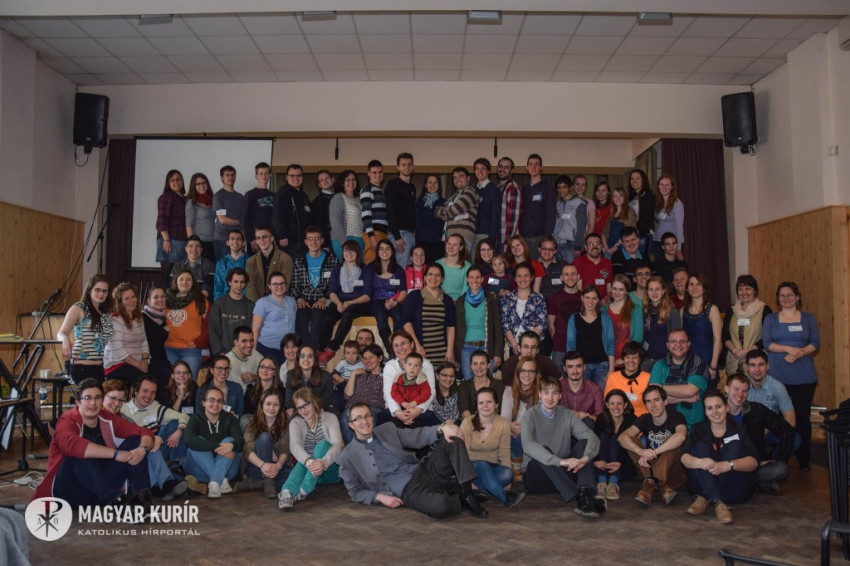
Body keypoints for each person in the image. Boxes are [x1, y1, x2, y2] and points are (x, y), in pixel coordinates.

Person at [338, 401, 489, 518]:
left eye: (367, 416)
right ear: (351, 425)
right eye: (358, 418)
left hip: (423, 470)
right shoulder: (347, 457)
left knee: (452, 435)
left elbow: (416, 436)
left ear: (372, 417)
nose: (364, 421)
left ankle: (467, 494)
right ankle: (457, 495)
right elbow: (355, 492)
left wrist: (441, 428)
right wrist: (379, 497)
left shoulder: (386, 430)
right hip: (409, 490)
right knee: (440, 507)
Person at [33, 378, 153, 509]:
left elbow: (144, 432)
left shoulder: (107, 417)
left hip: (99, 489)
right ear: (78, 402)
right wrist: (116, 454)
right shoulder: (67, 420)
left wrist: (142, 449)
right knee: (78, 454)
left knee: (135, 441)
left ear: (102, 401)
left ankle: (141, 499)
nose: (93, 403)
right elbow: (71, 445)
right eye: (87, 398)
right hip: (71, 490)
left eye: (97, 398)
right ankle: (116, 502)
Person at [521, 375, 606, 518]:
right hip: (537, 477)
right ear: (539, 394)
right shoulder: (529, 416)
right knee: (543, 450)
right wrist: (559, 461)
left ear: (560, 396)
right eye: (546, 392)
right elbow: (528, 445)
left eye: (554, 393)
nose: (550, 397)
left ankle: (584, 492)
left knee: (584, 444)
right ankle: (581, 496)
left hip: (562, 474)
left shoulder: (567, 414)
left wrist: (586, 458)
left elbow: (591, 437)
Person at [763, 281, 820, 470]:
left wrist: (799, 353)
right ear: (778, 299)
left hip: (804, 377)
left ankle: (804, 460)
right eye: (782, 295)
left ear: (797, 297)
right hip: (778, 376)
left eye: (790, 295)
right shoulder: (771, 319)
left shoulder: (808, 318)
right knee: (778, 419)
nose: (786, 298)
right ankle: (779, 457)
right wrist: (789, 349)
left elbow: (815, 343)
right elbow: (767, 343)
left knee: (802, 418)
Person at [681, 390, 759, 524]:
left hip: (732, 488)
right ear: (705, 412)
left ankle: (705, 498)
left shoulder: (740, 430)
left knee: (734, 446)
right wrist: (701, 462)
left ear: (727, 408)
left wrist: (728, 465)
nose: (715, 411)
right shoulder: (697, 428)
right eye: (710, 408)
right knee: (700, 447)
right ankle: (717, 503)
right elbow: (684, 457)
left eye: (718, 406)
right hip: (703, 482)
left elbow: (754, 462)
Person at [103, 380, 187, 502]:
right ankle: (166, 482)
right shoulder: (113, 413)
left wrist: (156, 438)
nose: (116, 403)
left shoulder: (123, 416)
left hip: (135, 456)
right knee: (139, 442)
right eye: (112, 398)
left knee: (147, 442)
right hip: (115, 462)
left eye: (120, 400)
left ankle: (162, 484)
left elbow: (142, 432)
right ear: (136, 391)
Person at [617, 384, 687, 507]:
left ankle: (650, 482)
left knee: (673, 441)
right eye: (648, 401)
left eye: (656, 400)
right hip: (649, 466)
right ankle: (659, 484)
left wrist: (655, 451)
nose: (653, 405)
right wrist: (640, 451)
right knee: (631, 440)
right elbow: (622, 437)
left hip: (672, 471)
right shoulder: (645, 419)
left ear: (665, 401)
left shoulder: (676, 416)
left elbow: (681, 436)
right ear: (645, 405)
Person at [725, 373, 795, 494]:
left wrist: (776, 459)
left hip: (753, 465)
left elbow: (787, 431)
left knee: (780, 469)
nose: (740, 394)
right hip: (726, 464)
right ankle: (754, 484)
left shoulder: (757, 410)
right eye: (736, 389)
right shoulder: (717, 410)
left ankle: (744, 483)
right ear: (727, 389)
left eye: (744, 391)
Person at [278, 388, 342, 509]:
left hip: (329, 470)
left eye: (306, 405)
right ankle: (287, 493)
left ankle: (304, 489)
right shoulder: (296, 422)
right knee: (304, 460)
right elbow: (295, 446)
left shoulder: (330, 418)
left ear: (314, 402)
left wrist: (324, 462)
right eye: (299, 408)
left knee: (322, 445)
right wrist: (309, 462)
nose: (303, 410)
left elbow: (337, 445)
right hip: (310, 470)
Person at [460, 387, 525, 508]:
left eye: (489, 402)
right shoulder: (467, 423)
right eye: (481, 402)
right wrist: (467, 481)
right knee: (482, 464)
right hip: (472, 468)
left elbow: (505, 453)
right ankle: (505, 497)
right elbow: (462, 454)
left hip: (492, 466)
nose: (485, 406)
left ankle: (476, 491)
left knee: (507, 474)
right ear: (476, 406)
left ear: (496, 405)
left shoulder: (503, 423)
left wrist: (508, 481)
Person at [184, 385, 244, 498]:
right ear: (203, 403)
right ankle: (218, 481)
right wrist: (217, 447)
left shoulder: (230, 418)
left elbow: (240, 440)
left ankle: (215, 482)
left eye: (219, 401)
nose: (215, 404)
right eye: (211, 400)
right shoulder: (195, 418)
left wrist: (232, 445)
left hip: (228, 470)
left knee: (230, 440)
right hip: (199, 472)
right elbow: (188, 439)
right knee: (196, 442)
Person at [319, 240, 373, 364]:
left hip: (359, 302)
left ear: (357, 253)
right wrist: (338, 303)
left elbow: (367, 296)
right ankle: (321, 349)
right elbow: (332, 292)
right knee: (328, 317)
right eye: (346, 250)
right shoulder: (337, 269)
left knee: (347, 315)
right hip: (340, 301)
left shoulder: (366, 269)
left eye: (352, 250)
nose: (348, 253)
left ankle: (332, 348)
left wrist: (349, 303)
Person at [58, 274, 114, 384]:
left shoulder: (105, 314)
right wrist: (65, 339)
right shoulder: (79, 308)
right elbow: (61, 332)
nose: (101, 294)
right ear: (89, 290)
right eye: (97, 290)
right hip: (82, 367)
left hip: (100, 367)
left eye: (104, 291)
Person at [291, 226, 339, 353]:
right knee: (301, 318)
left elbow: (335, 285)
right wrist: (299, 299)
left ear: (322, 241)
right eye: (310, 239)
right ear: (306, 242)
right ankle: (305, 351)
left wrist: (325, 298)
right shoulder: (299, 261)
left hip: (323, 299)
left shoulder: (332, 260)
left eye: (317, 238)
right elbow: (294, 286)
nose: (314, 242)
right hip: (304, 300)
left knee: (318, 318)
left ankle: (315, 351)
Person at [648, 328, 709, 429]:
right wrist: (684, 398)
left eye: (682, 341)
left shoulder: (699, 364)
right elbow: (653, 397)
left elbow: (690, 391)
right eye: (673, 341)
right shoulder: (659, 365)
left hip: (694, 426)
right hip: (665, 426)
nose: (678, 345)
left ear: (688, 344)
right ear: (667, 345)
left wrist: (660, 388)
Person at [454, 266, 504, 381]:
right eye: (471, 277)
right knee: (469, 381)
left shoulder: (490, 299)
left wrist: (498, 353)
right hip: (466, 348)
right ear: (467, 279)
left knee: (486, 382)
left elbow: (497, 327)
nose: (474, 280)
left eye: (477, 277)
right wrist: (455, 354)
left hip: (487, 347)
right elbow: (456, 329)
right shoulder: (460, 301)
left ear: (482, 279)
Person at [239, 390, 291, 499]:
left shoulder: (284, 425)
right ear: (262, 405)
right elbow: (248, 450)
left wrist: (277, 466)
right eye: (268, 404)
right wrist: (263, 465)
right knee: (265, 437)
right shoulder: (252, 424)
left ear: (280, 407)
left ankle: (256, 484)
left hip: (276, 467)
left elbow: (285, 449)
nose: (271, 408)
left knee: (294, 475)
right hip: (257, 466)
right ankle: (268, 482)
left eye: (275, 404)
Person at [382, 330, 437, 428]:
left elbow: (430, 391)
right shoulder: (390, 366)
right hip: (398, 408)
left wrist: (417, 410)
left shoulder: (425, 364)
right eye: (396, 345)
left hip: (420, 408)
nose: (400, 348)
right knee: (385, 422)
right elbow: (389, 392)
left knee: (425, 422)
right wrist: (398, 413)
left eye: (403, 343)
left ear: (412, 344)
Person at [403, 263, 456, 364]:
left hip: (442, 353)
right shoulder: (414, 296)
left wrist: (450, 350)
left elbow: (451, 326)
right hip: (421, 352)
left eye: (437, 275)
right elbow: (406, 322)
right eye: (430, 274)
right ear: (425, 277)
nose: (433, 278)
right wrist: (417, 345)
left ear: (442, 279)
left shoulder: (448, 300)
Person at [722, 274, 773, 375]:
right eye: (740, 289)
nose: (744, 292)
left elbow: (768, 337)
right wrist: (735, 351)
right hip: (734, 359)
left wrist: (747, 353)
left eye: (748, 288)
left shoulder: (764, 310)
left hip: (756, 361)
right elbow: (725, 336)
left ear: (755, 291)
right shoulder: (731, 311)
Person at [566, 285, 615, 390]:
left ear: (598, 300)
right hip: (581, 367)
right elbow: (570, 344)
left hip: (602, 366)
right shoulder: (574, 318)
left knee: (600, 397)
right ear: (582, 298)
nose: (590, 301)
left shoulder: (605, 318)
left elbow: (611, 344)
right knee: (582, 397)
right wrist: (572, 367)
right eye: (587, 297)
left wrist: (611, 369)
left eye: (594, 298)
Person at [164, 269, 209, 381]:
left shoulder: (200, 299)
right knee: (170, 383)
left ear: (193, 282)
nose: (185, 282)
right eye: (181, 279)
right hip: (168, 348)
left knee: (189, 383)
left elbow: (209, 324)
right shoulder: (165, 299)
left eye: (188, 279)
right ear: (175, 281)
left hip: (191, 349)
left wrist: (200, 341)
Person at [593, 389, 636, 501]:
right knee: (603, 436)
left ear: (625, 405)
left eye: (619, 403)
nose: (615, 407)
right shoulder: (601, 419)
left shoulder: (631, 419)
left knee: (617, 438)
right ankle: (602, 483)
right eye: (612, 403)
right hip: (603, 463)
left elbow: (628, 447)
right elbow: (594, 442)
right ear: (607, 405)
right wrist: (597, 460)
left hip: (624, 464)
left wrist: (619, 462)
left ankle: (613, 484)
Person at [365, 238, 407, 351]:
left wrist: (396, 302)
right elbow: (367, 292)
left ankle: (399, 347)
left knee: (398, 317)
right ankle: (392, 351)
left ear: (392, 251)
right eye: (381, 249)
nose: (384, 251)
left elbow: (404, 291)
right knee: (381, 318)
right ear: (377, 251)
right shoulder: (370, 268)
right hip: (375, 301)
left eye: (387, 249)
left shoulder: (398, 269)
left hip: (394, 300)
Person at [103, 282, 149, 385]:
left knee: (157, 380)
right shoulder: (115, 320)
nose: (132, 301)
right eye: (127, 298)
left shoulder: (139, 318)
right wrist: (138, 364)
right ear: (120, 302)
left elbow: (144, 342)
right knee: (146, 383)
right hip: (117, 365)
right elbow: (119, 350)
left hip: (136, 364)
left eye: (133, 297)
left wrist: (145, 360)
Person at [501, 356, 540, 477]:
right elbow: (504, 419)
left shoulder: (542, 392)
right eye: (523, 370)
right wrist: (511, 426)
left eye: (531, 371)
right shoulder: (509, 391)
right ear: (518, 372)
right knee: (516, 433)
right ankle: (516, 463)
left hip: (535, 433)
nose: (527, 375)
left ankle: (527, 464)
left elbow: (543, 420)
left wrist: (526, 427)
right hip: (515, 436)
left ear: (536, 374)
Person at [340, 344, 387, 443]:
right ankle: (354, 450)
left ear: (380, 358)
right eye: (365, 358)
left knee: (367, 419)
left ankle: (369, 448)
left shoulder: (385, 376)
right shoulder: (359, 375)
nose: (367, 361)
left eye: (371, 357)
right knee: (345, 417)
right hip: (353, 408)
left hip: (374, 408)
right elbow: (347, 396)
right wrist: (353, 374)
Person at [682, 274, 722, 387]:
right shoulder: (683, 311)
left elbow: (718, 339)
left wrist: (713, 365)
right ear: (687, 288)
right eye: (691, 284)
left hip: (707, 361)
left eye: (698, 284)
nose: (694, 287)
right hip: (689, 361)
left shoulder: (712, 309)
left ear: (704, 288)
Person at [500, 263, 547, 358]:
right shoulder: (507, 298)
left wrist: (527, 345)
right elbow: (505, 324)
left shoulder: (538, 298)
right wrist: (515, 344)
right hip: (514, 347)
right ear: (515, 278)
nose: (523, 279)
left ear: (532, 278)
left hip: (533, 348)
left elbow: (541, 324)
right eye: (519, 276)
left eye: (526, 276)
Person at [251, 271, 297, 364]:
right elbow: (255, 329)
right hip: (267, 348)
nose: (279, 286)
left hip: (288, 350)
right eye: (275, 284)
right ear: (269, 286)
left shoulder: (292, 301)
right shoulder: (262, 302)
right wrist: (253, 352)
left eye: (282, 283)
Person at [745, 349, 797, 428]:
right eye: (752, 365)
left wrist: (774, 429)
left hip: (770, 430)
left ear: (767, 366)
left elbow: (791, 420)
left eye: (761, 365)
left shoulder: (778, 387)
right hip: (744, 430)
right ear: (747, 368)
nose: (757, 369)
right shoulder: (739, 386)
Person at [209, 267, 254, 356]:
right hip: (222, 354)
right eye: (236, 281)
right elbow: (213, 330)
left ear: (245, 284)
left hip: (243, 354)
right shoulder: (219, 303)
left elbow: (251, 332)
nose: (239, 285)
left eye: (242, 282)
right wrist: (219, 352)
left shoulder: (250, 306)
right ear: (229, 282)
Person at [285, 345, 338, 418]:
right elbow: (289, 399)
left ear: (315, 359)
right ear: (298, 359)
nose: (306, 359)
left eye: (310, 356)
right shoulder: (290, 375)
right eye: (302, 356)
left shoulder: (326, 377)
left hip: (318, 410)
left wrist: (311, 411)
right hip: (297, 410)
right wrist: (293, 409)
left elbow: (326, 400)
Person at [436, 166, 479, 257]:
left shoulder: (470, 192)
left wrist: (449, 211)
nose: (457, 179)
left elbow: (453, 210)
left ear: (468, 178)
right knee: (450, 264)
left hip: (463, 235)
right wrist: (451, 211)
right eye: (455, 178)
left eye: (461, 176)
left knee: (461, 263)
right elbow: (437, 212)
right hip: (450, 237)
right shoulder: (453, 197)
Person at [642, 275, 682, 372]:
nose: (654, 293)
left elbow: (677, 340)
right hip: (647, 360)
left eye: (657, 289)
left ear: (663, 291)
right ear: (647, 292)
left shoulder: (672, 312)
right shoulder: (645, 311)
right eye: (651, 289)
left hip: (665, 361)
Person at [385, 152, 418, 268]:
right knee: (399, 269)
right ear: (398, 167)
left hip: (410, 234)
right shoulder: (393, 184)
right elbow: (390, 211)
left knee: (408, 269)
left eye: (409, 164)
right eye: (403, 164)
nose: (406, 167)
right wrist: (397, 236)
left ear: (413, 167)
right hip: (399, 234)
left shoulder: (412, 187)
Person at [519, 154, 555, 257]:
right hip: (524, 238)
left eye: (536, 164)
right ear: (527, 168)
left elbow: (551, 215)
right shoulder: (523, 189)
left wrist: (546, 239)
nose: (533, 167)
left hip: (539, 238)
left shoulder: (548, 189)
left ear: (541, 167)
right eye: (530, 164)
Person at [245, 226, 294, 302]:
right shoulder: (251, 261)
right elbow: (250, 287)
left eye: (264, 237)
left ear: (272, 238)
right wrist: (257, 305)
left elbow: (285, 285)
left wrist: (270, 305)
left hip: (279, 301)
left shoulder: (286, 259)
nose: (261, 240)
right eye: (258, 238)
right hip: (257, 303)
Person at [274, 163, 314, 257]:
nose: (296, 178)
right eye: (292, 175)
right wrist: (282, 235)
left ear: (302, 177)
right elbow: (277, 215)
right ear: (287, 177)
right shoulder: (282, 192)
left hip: (304, 243)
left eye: (299, 175)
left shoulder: (304, 196)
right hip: (287, 242)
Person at [548, 263, 582, 370]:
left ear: (578, 276)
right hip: (559, 348)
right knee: (559, 379)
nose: (570, 277)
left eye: (573, 274)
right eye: (566, 274)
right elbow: (550, 324)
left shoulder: (585, 298)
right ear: (561, 278)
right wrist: (557, 340)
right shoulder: (554, 298)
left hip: (581, 347)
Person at [156, 169, 188, 285]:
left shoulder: (185, 199)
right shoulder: (167, 197)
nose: (176, 182)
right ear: (168, 183)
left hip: (182, 241)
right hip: (169, 241)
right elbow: (161, 220)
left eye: (178, 179)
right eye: (172, 180)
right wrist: (166, 240)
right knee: (168, 276)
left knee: (179, 277)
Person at [604, 341, 651, 417]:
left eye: (634, 357)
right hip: (619, 418)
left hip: (641, 419)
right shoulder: (612, 377)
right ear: (623, 359)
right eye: (627, 357)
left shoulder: (648, 378)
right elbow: (608, 404)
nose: (631, 360)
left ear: (640, 360)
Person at [606, 274, 644, 369]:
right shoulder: (603, 310)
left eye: (621, 289)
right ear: (611, 289)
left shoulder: (635, 310)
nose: (617, 292)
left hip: (628, 362)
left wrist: (622, 360)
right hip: (606, 361)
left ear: (626, 291)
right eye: (614, 289)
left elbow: (638, 339)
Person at [457, 351, 505, 420]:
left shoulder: (499, 385)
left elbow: (498, 410)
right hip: (471, 423)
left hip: (494, 422)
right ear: (470, 366)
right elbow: (464, 411)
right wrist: (475, 425)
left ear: (488, 365)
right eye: (475, 364)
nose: (479, 367)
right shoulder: (464, 386)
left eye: (482, 363)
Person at [328, 170, 365, 260]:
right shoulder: (338, 198)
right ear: (342, 183)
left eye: (353, 179)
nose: (351, 182)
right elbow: (335, 222)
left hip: (360, 239)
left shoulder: (359, 198)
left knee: (360, 267)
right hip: (344, 240)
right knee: (348, 266)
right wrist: (344, 243)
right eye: (347, 180)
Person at [559, 351, 603, 425]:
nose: (575, 371)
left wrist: (586, 415)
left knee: (588, 421)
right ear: (564, 369)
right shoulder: (558, 387)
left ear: (584, 367)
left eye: (578, 366)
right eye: (570, 367)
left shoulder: (595, 389)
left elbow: (601, 420)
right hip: (563, 427)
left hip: (587, 428)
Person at [195, 355, 244, 419]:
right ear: (212, 370)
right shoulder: (202, 390)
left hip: (231, 423)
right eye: (219, 368)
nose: (223, 372)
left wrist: (235, 416)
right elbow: (198, 414)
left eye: (226, 368)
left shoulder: (237, 388)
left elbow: (240, 413)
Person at [142, 286, 171, 393]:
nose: (160, 299)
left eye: (162, 296)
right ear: (149, 301)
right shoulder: (143, 318)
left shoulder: (163, 318)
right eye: (156, 297)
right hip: (150, 362)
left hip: (162, 360)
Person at [242, 356, 285, 429]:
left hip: (273, 424)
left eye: (269, 368)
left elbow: (281, 414)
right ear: (258, 370)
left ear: (275, 372)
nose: (265, 370)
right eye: (262, 367)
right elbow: (247, 413)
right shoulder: (250, 390)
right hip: (255, 425)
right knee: (245, 419)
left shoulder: (281, 391)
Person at [242, 162, 274, 254]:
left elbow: (276, 219)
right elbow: (244, 220)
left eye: (266, 173)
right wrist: (251, 239)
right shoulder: (250, 195)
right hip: (256, 240)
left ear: (270, 175)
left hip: (270, 240)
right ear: (256, 176)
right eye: (261, 173)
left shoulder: (274, 196)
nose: (264, 176)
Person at [212, 164, 244, 261]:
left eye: (233, 175)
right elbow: (222, 219)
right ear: (222, 178)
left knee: (238, 266)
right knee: (224, 266)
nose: (230, 177)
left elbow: (243, 216)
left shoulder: (240, 197)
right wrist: (240, 222)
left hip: (237, 239)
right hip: (223, 239)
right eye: (227, 175)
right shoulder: (218, 196)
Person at [360, 159, 388, 265]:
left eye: (380, 172)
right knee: (371, 265)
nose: (378, 175)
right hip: (373, 234)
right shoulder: (368, 190)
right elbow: (366, 215)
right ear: (368, 174)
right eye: (374, 172)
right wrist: (371, 237)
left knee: (380, 266)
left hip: (381, 233)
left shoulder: (379, 190)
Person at [553, 175, 586, 264]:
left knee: (571, 270)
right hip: (557, 244)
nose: (561, 190)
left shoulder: (579, 203)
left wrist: (578, 247)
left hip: (571, 245)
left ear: (570, 187)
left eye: (564, 187)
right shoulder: (558, 205)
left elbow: (582, 227)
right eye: (559, 187)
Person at [414, 173, 446, 263]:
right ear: (425, 185)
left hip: (438, 242)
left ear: (439, 186)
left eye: (435, 182)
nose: (432, 185)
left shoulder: (444, 202)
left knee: (436, 268)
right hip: (421, 241)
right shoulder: (418, 202)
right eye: (430, 182)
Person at [472, 157, 502, 254]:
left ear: (489, 171)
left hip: (486, 234)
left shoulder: (493, 190)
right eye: (477, 168)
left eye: (483, 168)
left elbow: (496, 216)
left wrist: (491, 239)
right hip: (473, 234)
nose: (480, 171)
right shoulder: (473, 190)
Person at [389, 351, 432, 416]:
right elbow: (394, 392)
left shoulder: (422, 380)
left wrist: (415, 402)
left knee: (429, 416)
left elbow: (426, 393)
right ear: (404, 366)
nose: (412, 368)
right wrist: (402, 402)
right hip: (401, 406)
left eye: (416, 365)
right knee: (385, 414)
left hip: (416, 407)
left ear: (420, 368)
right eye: (409, 364)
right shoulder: (398, 378)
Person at [653, 175, 685, 260]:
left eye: (667, 185)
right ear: (658, 186)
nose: (664, 187)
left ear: (672, 187)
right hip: (658, 240)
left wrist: (678, 249)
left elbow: (679, 227)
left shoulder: (677, 203)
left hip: (672, 243)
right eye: (662, 184)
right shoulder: (657, 202)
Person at [185, 172, 216, 262]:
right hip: (200, 244)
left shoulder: (213, 200)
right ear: (193, 186)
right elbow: (189, 225)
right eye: (198, 184)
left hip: (212, 243)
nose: (201, 186)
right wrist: (192, 246)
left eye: (203, 183)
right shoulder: (191, 203)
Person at [573, 233, 613, 301]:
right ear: (585, 247)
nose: (595, 246)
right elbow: (578, 290)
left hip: (603, 303)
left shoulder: (608, 263)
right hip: (585, 302)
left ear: (601, 246)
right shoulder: (578, 262)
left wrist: (607, 300)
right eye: (591, 244)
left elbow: (609, 287)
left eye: (597, 243)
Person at [226, 326, 263, 394]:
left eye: (251, 340)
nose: (249, 345)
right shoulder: (229, 361)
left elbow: (271, 375)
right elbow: (241, 392)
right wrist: (259, 379)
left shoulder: (254, 353)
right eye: (244, 341)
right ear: (236, 342)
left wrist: (256, 377)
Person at [601, 186, 636, 259]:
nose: (618, 198)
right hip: (608, 250)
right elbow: (604, 232)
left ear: (625, 197)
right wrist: (606, 248)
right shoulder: (612, 213)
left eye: (621, 196)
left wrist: (614, 247)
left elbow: (629, 233)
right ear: (612, 198)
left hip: (622, 251)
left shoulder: (630, 212)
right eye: (615, 196)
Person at [628, 168, 655, 257]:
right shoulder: (631, 197)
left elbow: (647, 217)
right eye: (632, 179)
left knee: (643, 261)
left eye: (637, 178)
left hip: (643, 235)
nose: (634, 181)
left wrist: (635, 230)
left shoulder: (648, 195)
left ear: (643, 180)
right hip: (632, 235)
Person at [213, 229, 247, 300]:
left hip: (245, 302)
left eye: (238, 239)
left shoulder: (250, 261)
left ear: (243, 243)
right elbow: (218, 288)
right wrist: (219, 304)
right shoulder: (221, 263)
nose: (235, 241)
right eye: (232, 239)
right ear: (227, 242)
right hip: (226, 302)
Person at [436, 233, 471, 301]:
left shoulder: (467, 266)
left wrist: (457, 302)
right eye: (449, 243)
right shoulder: (437, 264)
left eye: (455, 245)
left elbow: (466, 290)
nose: (451, 247)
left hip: (459, 302)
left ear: (461, 247)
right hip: (440, 301)